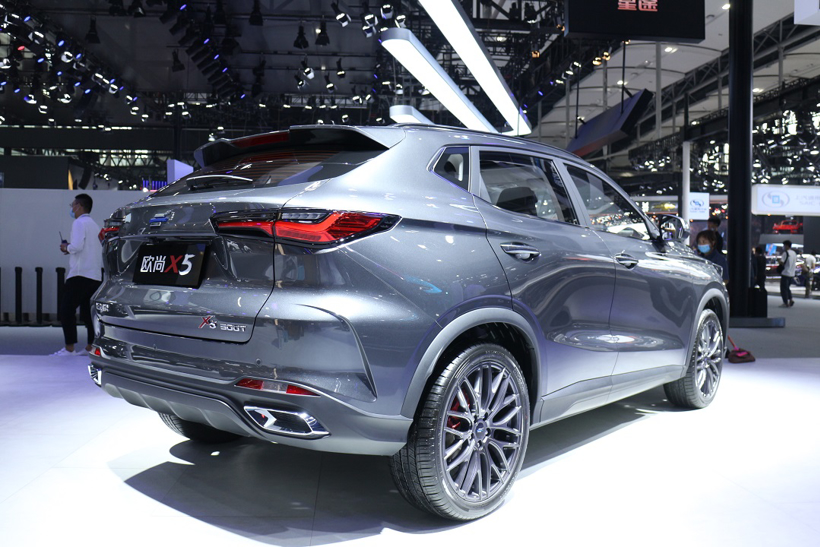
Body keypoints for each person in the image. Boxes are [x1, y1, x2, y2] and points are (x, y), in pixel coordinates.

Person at [52, 194, 103, 356]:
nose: (71, 208)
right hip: (94, 274)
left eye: (72, 205)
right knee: (88, 314)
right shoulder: (95, 225)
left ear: (79, 206)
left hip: (79, 274)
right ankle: (90, 347)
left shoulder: (79, 223)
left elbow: (77, 246)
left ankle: (69, 348)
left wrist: (66, 247)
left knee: (66, 310)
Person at [778, 240, 797, 308]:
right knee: (787, 288)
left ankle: (785, 302)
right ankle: (790, 299)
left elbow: (782, 262)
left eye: (784, 245)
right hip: (792, 273)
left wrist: (779, 261)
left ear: (786, 245)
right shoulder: (794, 253)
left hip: (785, 273)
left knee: (783, 289)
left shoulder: (785, 253)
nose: (783, 247)